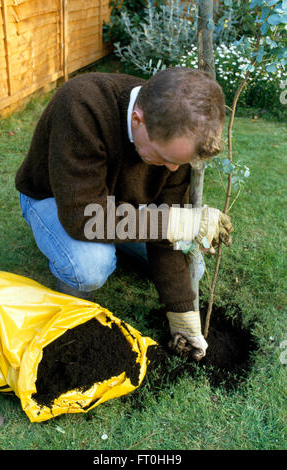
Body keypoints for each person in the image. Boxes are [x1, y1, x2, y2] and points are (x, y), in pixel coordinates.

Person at [15, 67, 233, 361]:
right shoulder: (83, 105)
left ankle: (113, 241)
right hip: (55, 199)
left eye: (178, 163)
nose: (171, 170)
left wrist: (182, 313)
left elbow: (166, 229)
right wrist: (172, 223)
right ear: (137, 119)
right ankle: (70, 322)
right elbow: (82, 217)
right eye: (165, 159)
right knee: (91, 265)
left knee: (193, 266)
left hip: (119, 208)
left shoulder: (176, 137)